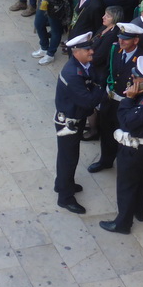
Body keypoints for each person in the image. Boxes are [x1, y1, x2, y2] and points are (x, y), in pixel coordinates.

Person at [99, 56, 143, 234]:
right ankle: (138, 210)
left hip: (135, 145)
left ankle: (122, 223)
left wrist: (128, 99)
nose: (133, 81)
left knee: (126, 184)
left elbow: (128, 121)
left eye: (136, 79)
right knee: (140, 176)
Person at [53, 33, 101, 214]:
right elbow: (88, 101)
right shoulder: (72, 74)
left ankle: (63, 184)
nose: (91, 51)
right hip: (68, 123)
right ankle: (64, 197)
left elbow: (94, 76)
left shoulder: (84, 65)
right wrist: (101, 89)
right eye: (87, 49)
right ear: (75, 52)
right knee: (68, 158)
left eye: (90, 48)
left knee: (70, 156)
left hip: (76, 118)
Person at [88, 22, 143, 173]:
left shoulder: (142, 59)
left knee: (125, 135)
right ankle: (105, 161)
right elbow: (109, 70)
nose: (121, 41)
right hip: (110, 98)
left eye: (126, 39)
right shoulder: (115, 49)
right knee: (106, 131)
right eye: (120, 37)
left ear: (136, 41)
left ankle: (126, 165)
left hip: (127, 103)